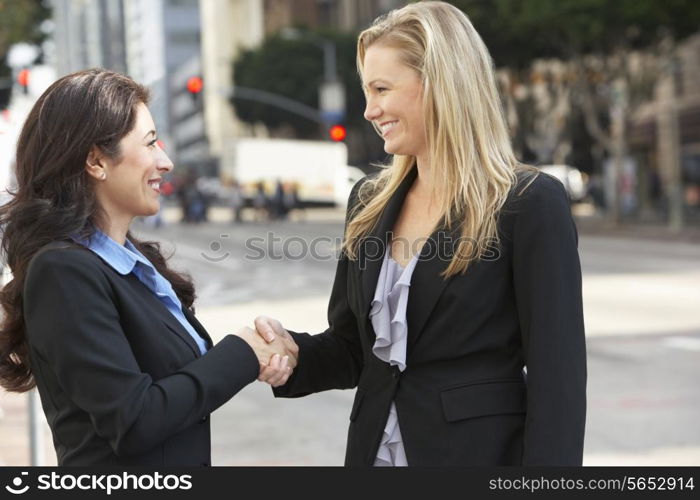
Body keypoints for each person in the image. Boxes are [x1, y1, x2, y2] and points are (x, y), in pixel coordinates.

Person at [255, 1, 586, 466]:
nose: (370, 110)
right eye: (366, 91)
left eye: (382, 89)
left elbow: (559, 381)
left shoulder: (529, 202)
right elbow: (355, 349)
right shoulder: (368, 202)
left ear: (439, 86)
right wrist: (291, 354)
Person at [0, 69, 296, 466]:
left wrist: (264, 349)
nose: (167, 161)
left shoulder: (135, 263)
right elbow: (133, 420)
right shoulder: (63, 271)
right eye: (151, 142)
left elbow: (180, 389)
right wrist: (242, 354)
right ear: (95, 160)